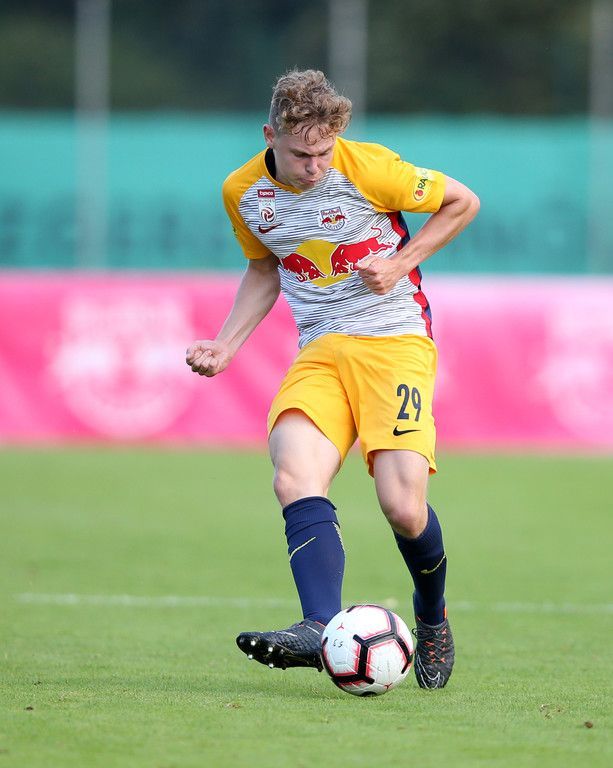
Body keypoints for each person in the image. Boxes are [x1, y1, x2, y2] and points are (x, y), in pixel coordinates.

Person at [186, 69, 479, 689]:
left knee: (403, 507)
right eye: (302, 155)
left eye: (324, 153)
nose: (316, 167)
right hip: (320, 349)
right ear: (270, 135)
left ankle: (432, 615)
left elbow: (463, 201)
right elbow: (264, 270)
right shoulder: (242, 192)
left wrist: (400, 263)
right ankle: (318, 625)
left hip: (394, 342)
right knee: (293, 475)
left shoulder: (370, 167)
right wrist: (226, 344)